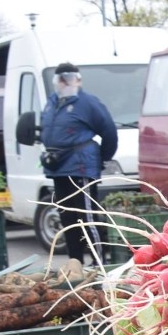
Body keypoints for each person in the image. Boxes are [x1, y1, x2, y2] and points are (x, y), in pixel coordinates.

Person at [40, 62, 118, 265]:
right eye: (62, 78)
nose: (66, 81)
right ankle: (75, 263)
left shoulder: (88, 103)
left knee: (87, 216)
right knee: (66, 217)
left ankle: (99, 262)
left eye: (70, 77)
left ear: (77, 79)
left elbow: (109, 131)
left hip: (81, 167)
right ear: (57, 81)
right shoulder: (52, 102)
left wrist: (102, 158)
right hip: (58, 168)